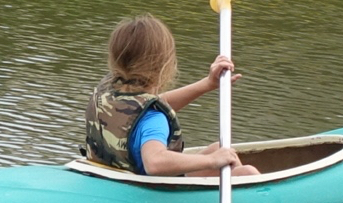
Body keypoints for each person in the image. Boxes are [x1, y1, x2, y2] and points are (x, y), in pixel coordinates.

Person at [83, 14, 260, 179]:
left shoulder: (107, 93)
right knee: (248, 173)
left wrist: (207, 84)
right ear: (164, 64)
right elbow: (155, 162)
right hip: (148, 192)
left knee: (221, 148)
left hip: (112, 178)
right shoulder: (154, 120)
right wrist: (212, 160)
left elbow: (150, 106)